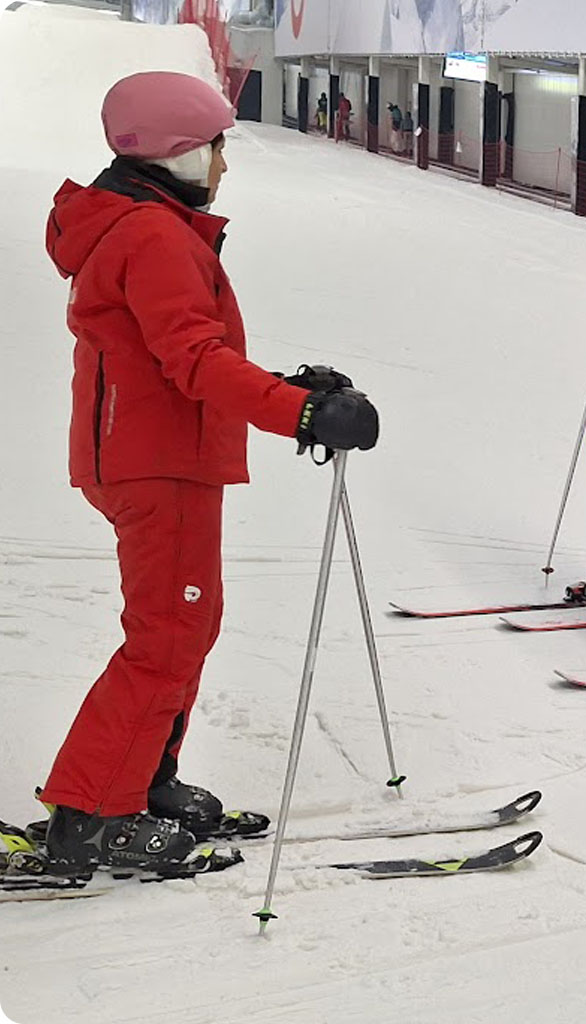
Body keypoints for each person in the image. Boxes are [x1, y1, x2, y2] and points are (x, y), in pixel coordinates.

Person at [38, 72, 379, 873]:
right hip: (157, 465)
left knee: (184, 627)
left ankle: (144, 777)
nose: (225, 163)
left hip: (154, 453)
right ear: (177, 153)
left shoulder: (141, 223)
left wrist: (290, 388)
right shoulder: (152, 235)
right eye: (216, 146)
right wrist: (296, 412)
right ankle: (93, 813)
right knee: (164, 637)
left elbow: (181, 352)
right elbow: (194, 361)